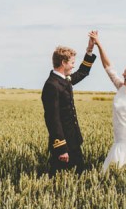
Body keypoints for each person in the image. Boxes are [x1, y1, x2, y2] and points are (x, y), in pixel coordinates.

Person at [88, 31, 126, 172]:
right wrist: (98, 44)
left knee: (123, 172)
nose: (123, 74)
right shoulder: (121, 88)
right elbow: (109, 68)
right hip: (118, 140)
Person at [41, 37, 96, 176]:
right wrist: (61, 148)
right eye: (72, 63)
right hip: (64, 144)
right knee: (59, 180)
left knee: (78, 176)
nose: (73, 66)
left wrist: (89, 50)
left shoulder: (63, 79)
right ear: (63, 62)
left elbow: (82, 72)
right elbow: (52, 119)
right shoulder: (52, 85)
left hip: (73, 140)